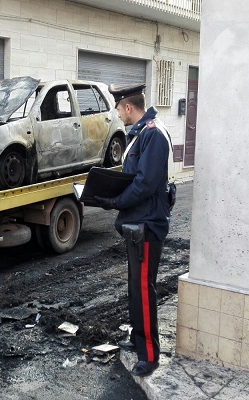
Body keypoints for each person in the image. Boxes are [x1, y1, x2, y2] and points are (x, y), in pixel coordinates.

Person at [91, 83, 172, 377]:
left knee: (143, 290)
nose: (117, 113)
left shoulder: (153, 134)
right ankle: (138, 342)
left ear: (128, 107)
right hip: (136, 223)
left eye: (118, 108)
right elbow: (132, 177)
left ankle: (149, 355)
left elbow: (145, 184)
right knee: (135, 289)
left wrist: (114, 201)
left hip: (147, 225)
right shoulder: (140, 134)